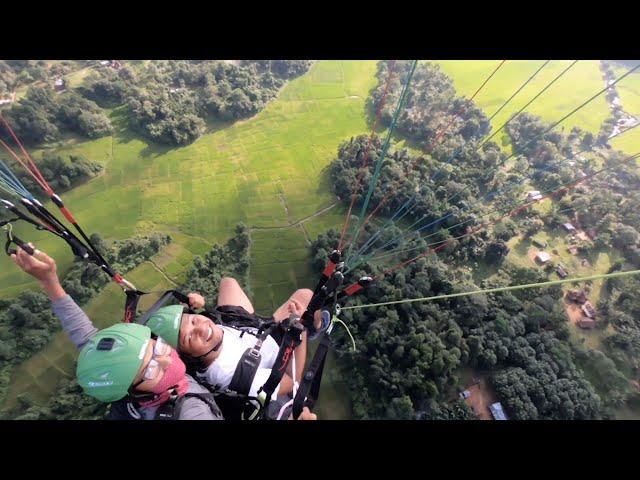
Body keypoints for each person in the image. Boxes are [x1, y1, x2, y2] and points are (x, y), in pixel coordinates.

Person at [10, 244, 318, 421]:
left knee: (235, 288)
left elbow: (86, 337)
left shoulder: (129, 367)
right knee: (304, 300)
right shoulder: (187, 410)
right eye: (152, 367)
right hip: (260, 374)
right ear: (136, 389)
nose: (166, 359)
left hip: (245, 342)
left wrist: (50, 282)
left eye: (156, 347)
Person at [147, 277, 330, 403]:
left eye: (194, 320)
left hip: (244, 331)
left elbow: (190, 330)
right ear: (188, 358)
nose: (202, 327)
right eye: (189, 337)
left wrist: (192, 306)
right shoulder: (237, 376)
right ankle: (314, 327)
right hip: (273, 347)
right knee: (306, 297)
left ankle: (285, 320)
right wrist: (301, 329)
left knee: (228, 283)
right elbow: (292, 380)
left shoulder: (207, 342)